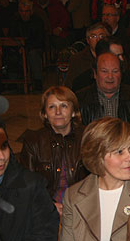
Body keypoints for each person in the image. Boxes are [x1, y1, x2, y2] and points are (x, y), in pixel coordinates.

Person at [17, 86, 88, 215]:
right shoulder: (33, 141)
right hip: (44, 207)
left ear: (73, 112)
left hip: (83, 207)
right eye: (51, 107)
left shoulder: (87, 138)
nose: (58, 112)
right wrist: (49, 205)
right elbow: (27, 185)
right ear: (44, 114)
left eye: (64, 106)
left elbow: (96, 180)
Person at [76, 51, 130, 125]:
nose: (110, 76)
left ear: (121, 74)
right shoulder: (80, 99)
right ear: (95, 74)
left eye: (115, 71)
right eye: (104, 71)